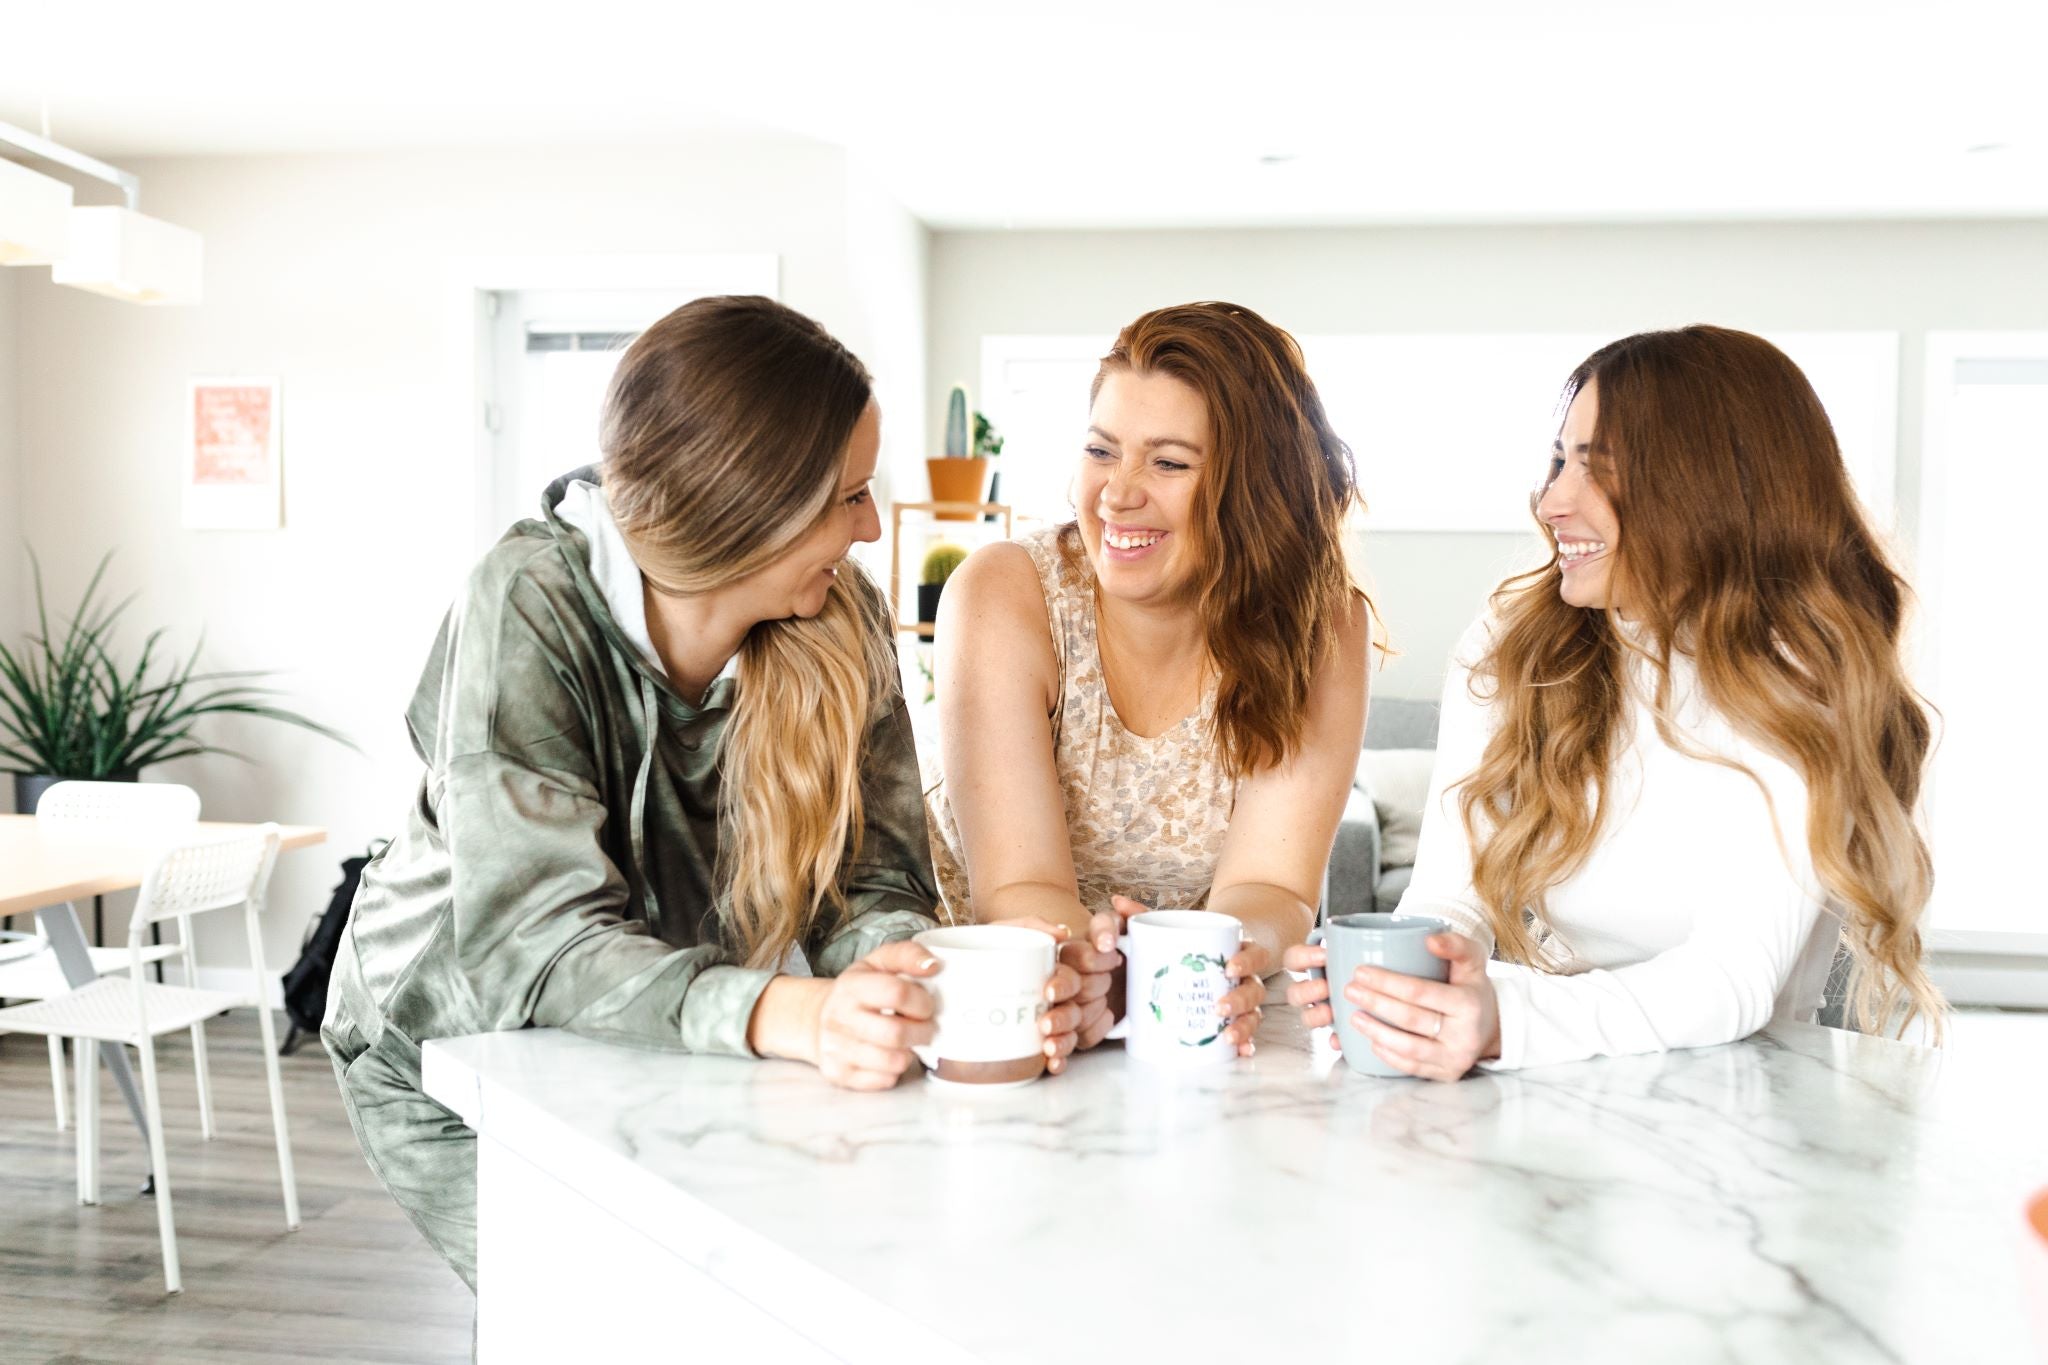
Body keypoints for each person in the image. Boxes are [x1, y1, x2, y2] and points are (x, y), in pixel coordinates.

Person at [323, 297, 1085, 1290]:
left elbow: (876, 878)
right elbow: (535, 947)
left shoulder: (836, 614)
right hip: (454, 1044)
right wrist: (794, 1015)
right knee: (592, 1313)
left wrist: (913, 974)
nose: (866, 527)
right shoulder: (529, 601)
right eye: (846, 496)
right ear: (745, 507)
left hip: (670, 1028)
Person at [1285, 325, 1944, 1077]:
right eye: (1559, 462)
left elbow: (1734, 980)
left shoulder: (1804, 677)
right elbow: (1449, 897)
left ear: (1706, 484)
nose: (1550, 500)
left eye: (1596, 470)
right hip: (1555, 1083)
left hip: (1742, 1105)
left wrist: (1506, 1019)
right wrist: (1398, 984)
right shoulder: (1512, 643)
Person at [927, 301, 1372, 1055]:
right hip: (1011, 1015)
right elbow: (1018, 886)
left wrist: (1223, 956)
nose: (1117, 493)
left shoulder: (1320, 627)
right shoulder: (1004, 594)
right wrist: (1100, 963)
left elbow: (1273, 887)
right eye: (1102, 451)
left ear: (1256, 490)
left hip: (1200, 1016)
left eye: (1168, 463)